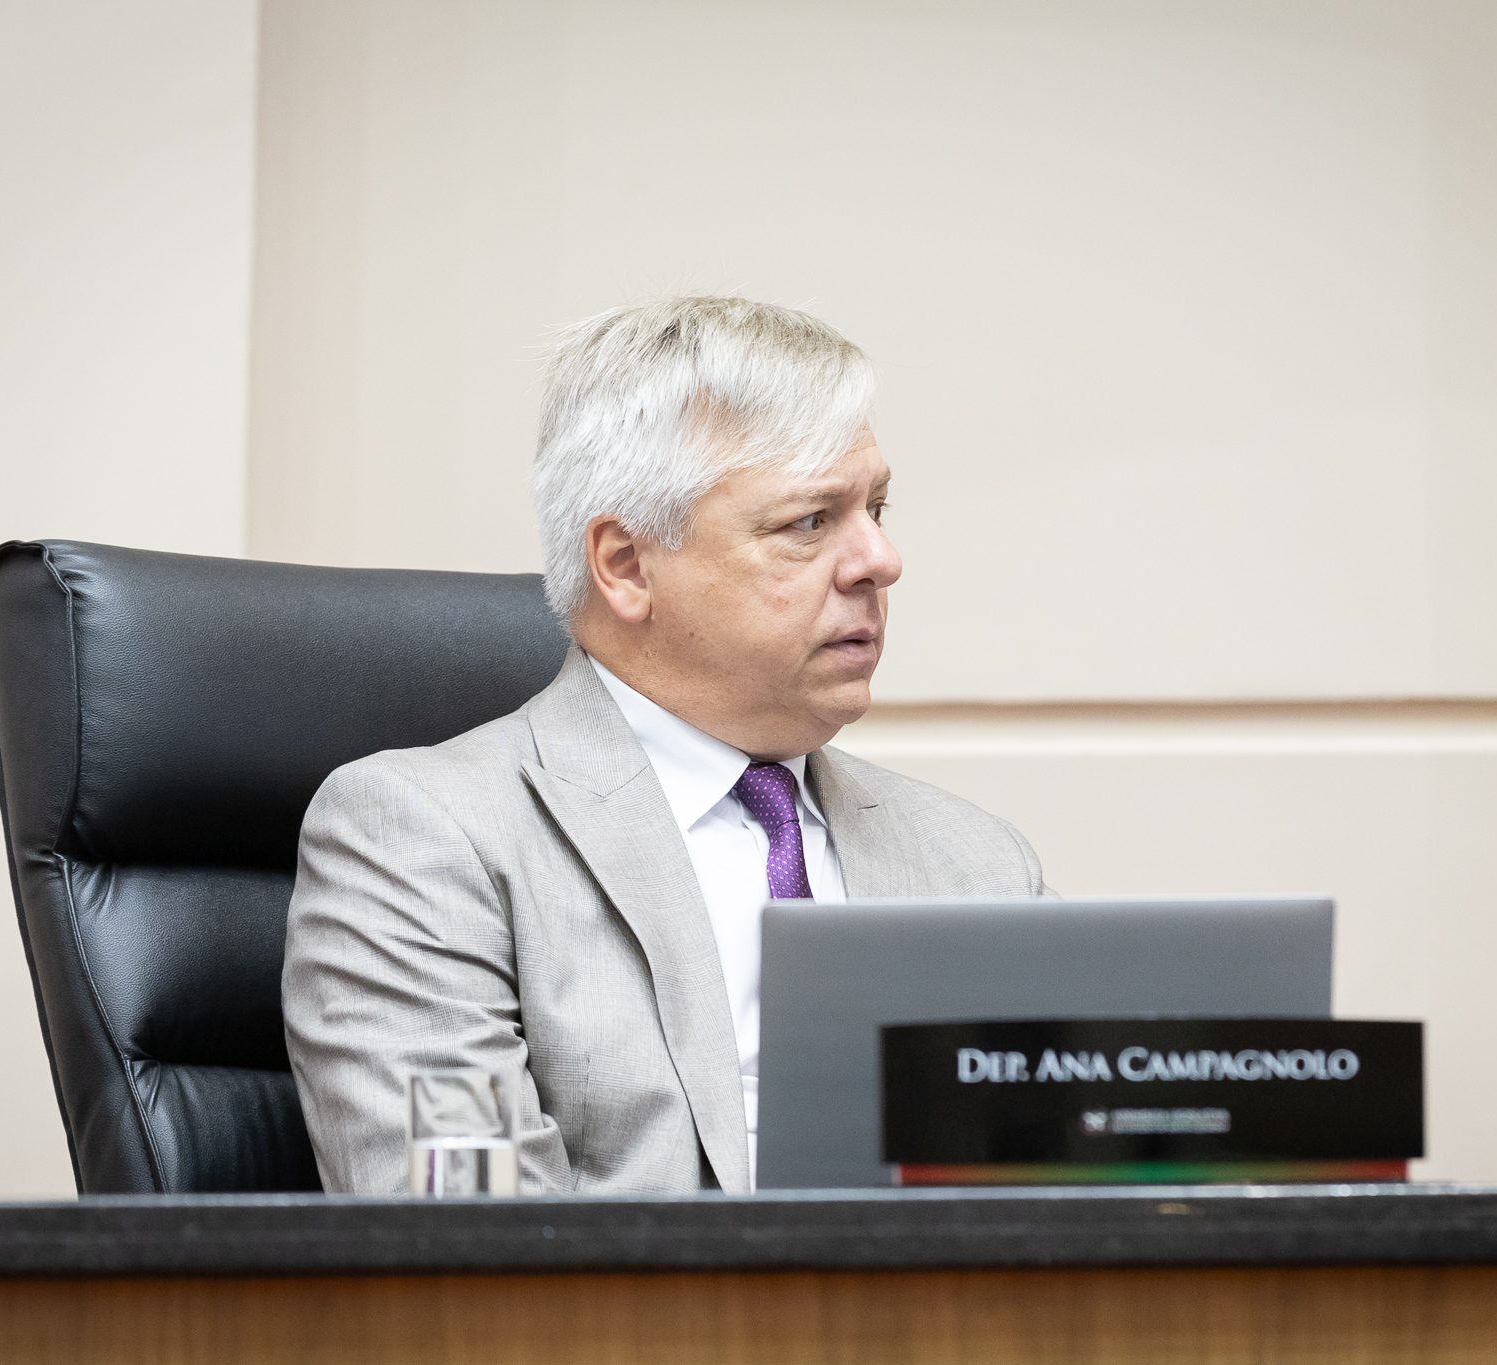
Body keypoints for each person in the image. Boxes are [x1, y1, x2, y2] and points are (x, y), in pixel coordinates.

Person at [282, 296, 1048, 1194]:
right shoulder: (422, 842)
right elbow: (467, 1218)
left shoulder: (980, 863)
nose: (880, 559)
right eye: (809, 521)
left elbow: (1087, 1196)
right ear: (626, 565)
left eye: (876, 507)